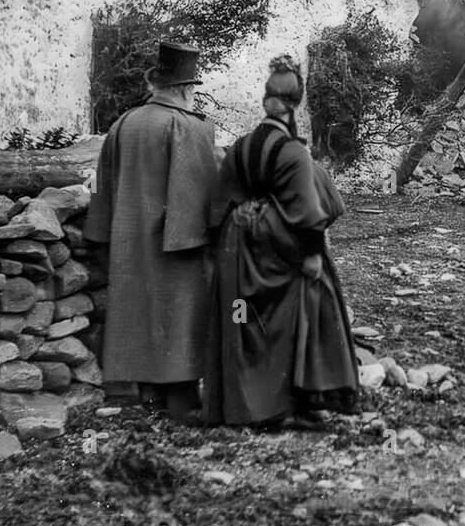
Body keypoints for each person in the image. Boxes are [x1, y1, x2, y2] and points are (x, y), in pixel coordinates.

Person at [205, 56, 360, 427]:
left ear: (265, 100)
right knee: (316, 299)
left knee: (242, 316)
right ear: (295, 103)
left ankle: (241, 406)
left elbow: (218, 207)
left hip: (238, 251)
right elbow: (307, 215)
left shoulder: (240, 147)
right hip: (279, 248)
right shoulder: (293, 153)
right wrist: (311, 258)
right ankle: (304, 398)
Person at [84, 40, 217, 422]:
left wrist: (101, 231)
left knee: (134, 310)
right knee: (179, 316)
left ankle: (135, 391)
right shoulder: (189, 126)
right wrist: (210, 234)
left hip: (126, 236)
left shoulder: (122, 124)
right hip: (176, 240)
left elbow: (100, 184)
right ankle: (179, 397)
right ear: (185, 90)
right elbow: (204, 190)